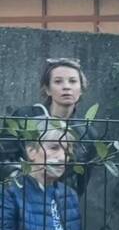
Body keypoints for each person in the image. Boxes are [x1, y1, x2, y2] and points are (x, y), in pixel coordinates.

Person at [1, 58, 100, 194]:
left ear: (81, 89)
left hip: (61, 200)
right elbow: (4, 158)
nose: (66, 87)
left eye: (73, 81)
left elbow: (81, 182)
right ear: (47, 89)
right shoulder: (25, 117)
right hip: (20, 195)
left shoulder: (87, 132)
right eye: (58, 81)